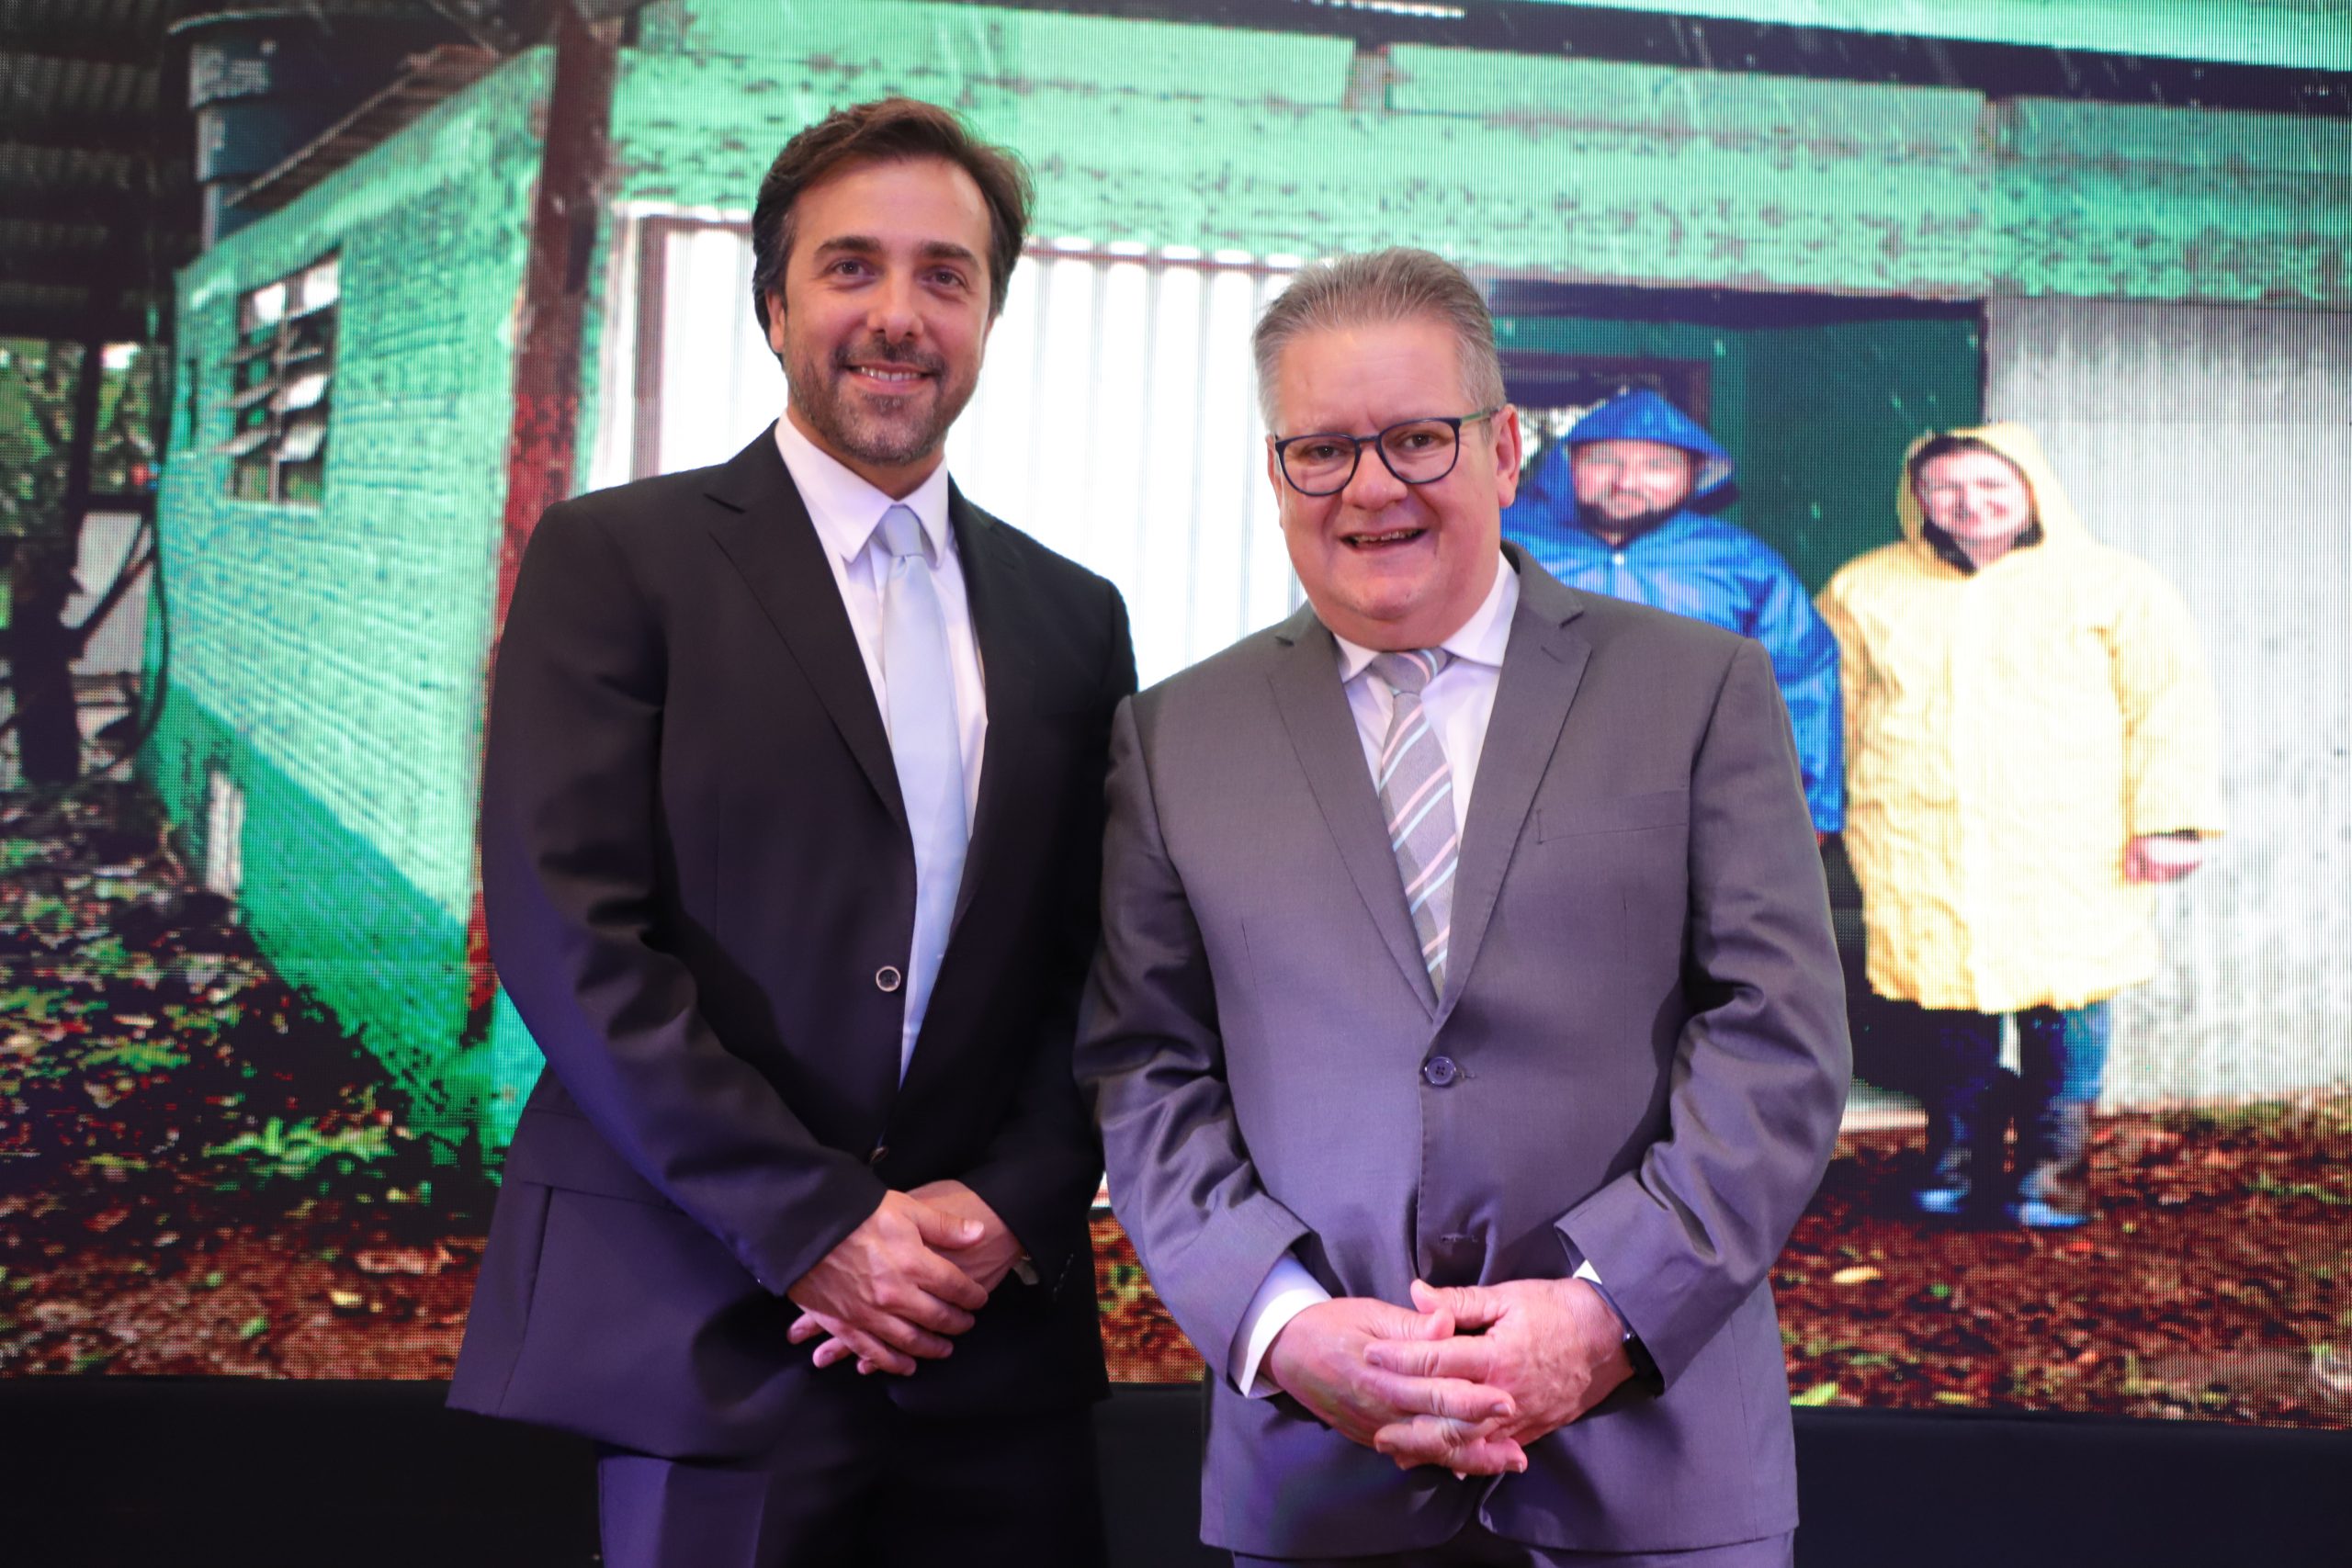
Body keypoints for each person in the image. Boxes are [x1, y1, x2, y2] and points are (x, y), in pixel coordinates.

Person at [1079, 249, 1850, 1566]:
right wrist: (1279, 1323)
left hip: (1653, 1451)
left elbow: (1776, 1034)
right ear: (1277, 474)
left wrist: (1606, 1313)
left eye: (1417, 438)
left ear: (1501, 450)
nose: (1370, 485)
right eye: (1322, 449)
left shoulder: (1699, 687)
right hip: (1316, 1467)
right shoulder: (1173, 736)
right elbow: (1146, 1065)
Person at [447, 98, 1135, 1568]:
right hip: (703, 1326)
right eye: (850, 266)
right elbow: (572, 934)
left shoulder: (1075, 617)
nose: (899, 313)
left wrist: (1008, 1205)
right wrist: (817, 1220)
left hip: (988, 1343)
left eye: (945, 274)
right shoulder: (615, 559)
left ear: (989, 316)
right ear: (774, 305)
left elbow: (1099, 962)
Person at [1815, 424, 2222, 1229]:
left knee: (2068, 993)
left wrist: (2170, 819)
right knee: (1941, 992)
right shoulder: (1865, 586)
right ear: (1917, 498)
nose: (1969, 503)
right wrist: (1817, 807)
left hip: (2068, 833)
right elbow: (1832, 708)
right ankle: (1956, 1155)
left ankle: (2053, 1168)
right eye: (1945, 487)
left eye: (1991, 485)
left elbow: (2168, 705)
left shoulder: (2113, 583)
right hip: (1919, 831)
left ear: (2033, 490)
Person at [1500, 389, 1842, 835]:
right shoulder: (1506, 547)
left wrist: (1810, 809)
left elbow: (1802, 678)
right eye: (1603, 460)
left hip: (1696, 806)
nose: (1625, 482)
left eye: (1657, 465)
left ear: (1695, 473)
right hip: (1532, 805)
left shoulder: (1741, 563)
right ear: (1570, 463)